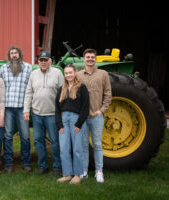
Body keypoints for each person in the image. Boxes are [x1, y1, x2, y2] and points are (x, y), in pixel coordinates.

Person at [23, 51, 63, 177]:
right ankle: (43, 166)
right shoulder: (33, 74)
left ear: (50, 61)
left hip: (52, 114)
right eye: (41, 60)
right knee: (38, 140)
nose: (44, 62)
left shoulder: (57, 73)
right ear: (38, 61)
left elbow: (63, 92)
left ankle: (57, 167)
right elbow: (29, 92)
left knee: (55, 141)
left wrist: (62, 111)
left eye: (46, 60)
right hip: (37, 114)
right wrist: (26, 110)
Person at [77, 48, 112, 183]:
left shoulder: (103, 74)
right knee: (84, 144)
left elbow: (108, 93)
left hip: (97, 116)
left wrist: (102, 110)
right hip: (83, 117)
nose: (90, 59)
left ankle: (99, 171)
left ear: (95, 59)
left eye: (92, 57)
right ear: (83, 59)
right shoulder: (79, 75)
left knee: (97, 144)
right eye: (88, 57)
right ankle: (84, 171)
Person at [0, 45, 32, 173]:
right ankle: (8, 163)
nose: (14, 55)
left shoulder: (28, 68)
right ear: (9, 56)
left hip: (23, 108)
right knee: (8, 136)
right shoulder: (3, 69)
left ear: (20, 54)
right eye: (11, 53)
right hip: (8, 108)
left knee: (25, 136)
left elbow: (31, 87)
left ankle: (26, 162)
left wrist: (29, 106)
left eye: (16, 53)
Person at [55, 64, 89, 184]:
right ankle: (67, 174)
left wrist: (79, 123)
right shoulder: (61, 89)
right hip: (64, 120)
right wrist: (59, 124)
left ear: (75, 73)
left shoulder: (82, 88)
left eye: (70, 72)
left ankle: (78, 175)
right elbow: (57, 108)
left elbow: (85, 107)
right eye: (66, 73)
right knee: (64, 148)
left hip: (76, 120)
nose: (68, 75)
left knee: (77, 148)